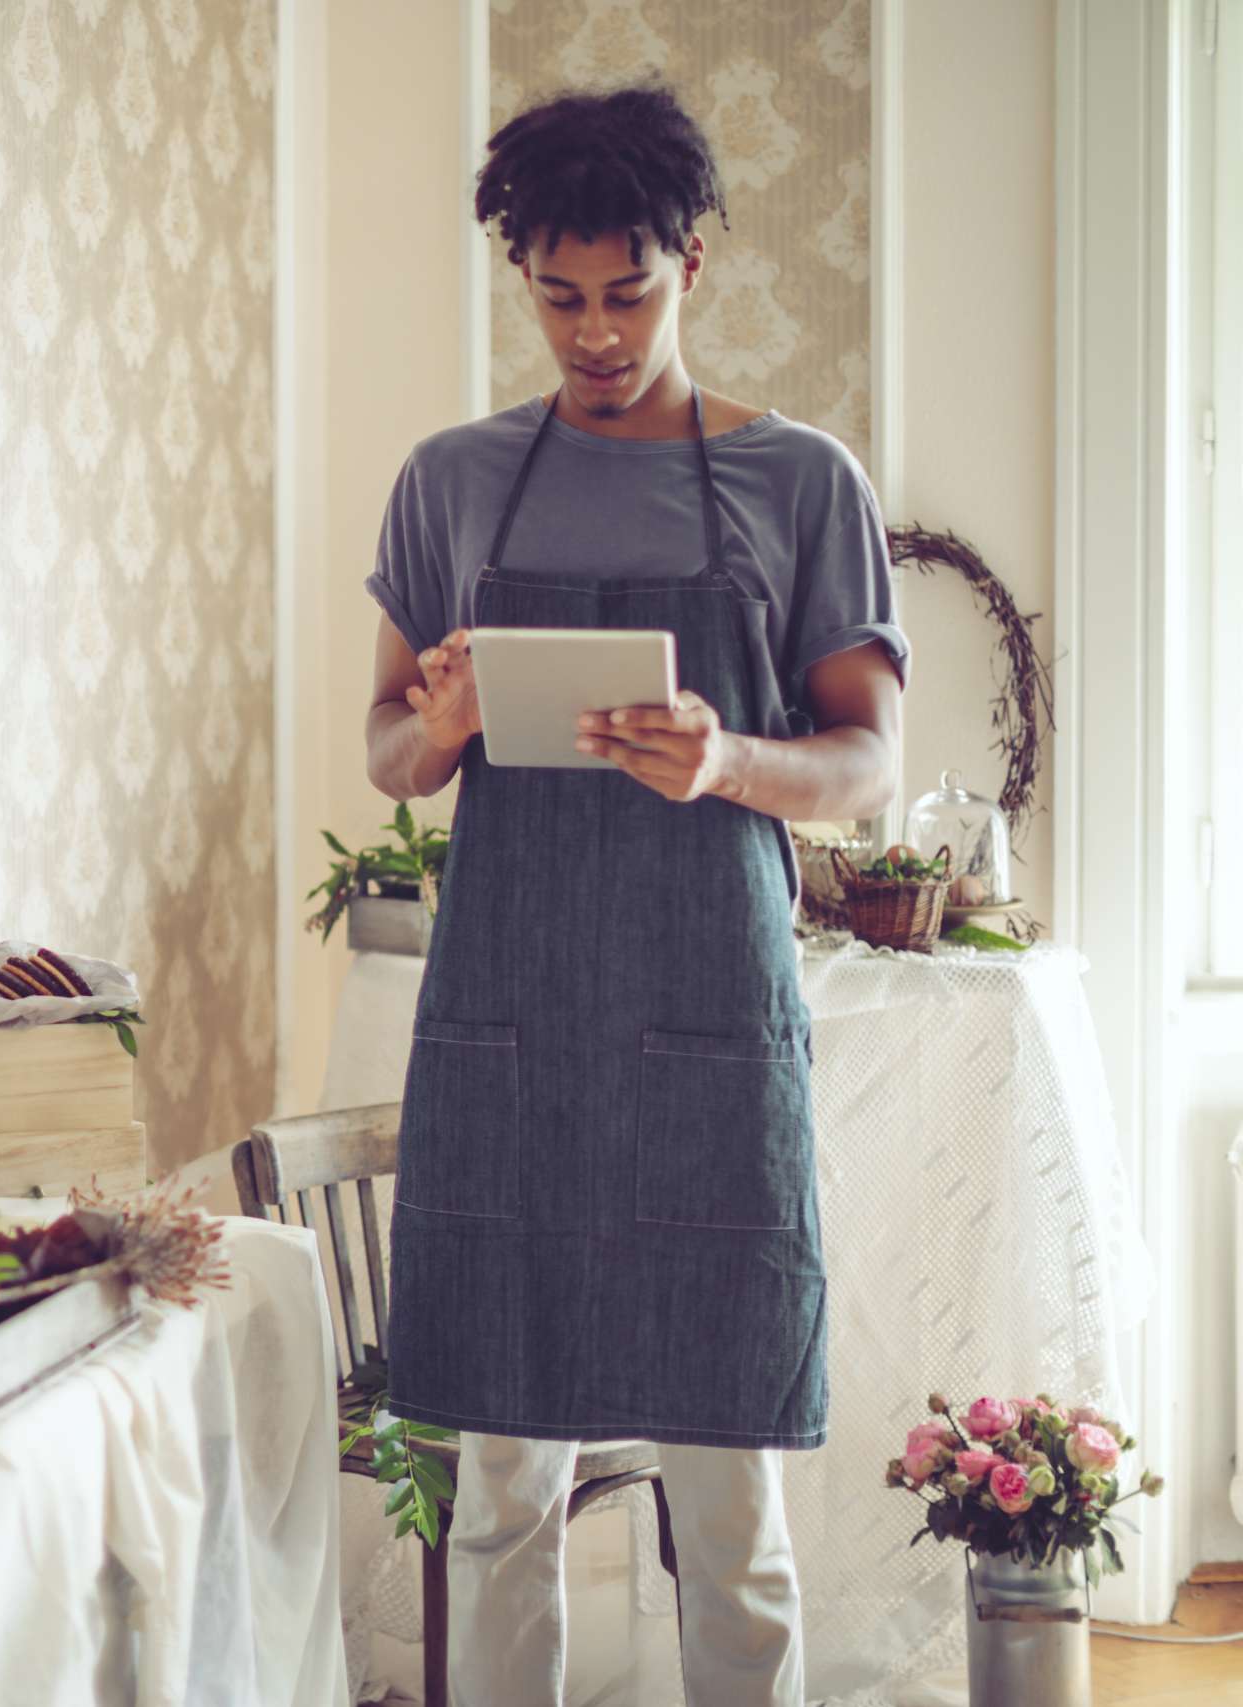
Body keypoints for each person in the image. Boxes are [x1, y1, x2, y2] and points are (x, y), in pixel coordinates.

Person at [364, 84, 908, 1707]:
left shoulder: (804, 482)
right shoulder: (451, 481)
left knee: (728, 1508)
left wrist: (727, 759)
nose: (594, 333)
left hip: (708, 1037)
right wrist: (448, 717)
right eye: (557, 296)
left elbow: (868, 765)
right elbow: (389, 750)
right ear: (518, 274)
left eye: (630, 292)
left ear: (698, 264)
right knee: (503, 1500)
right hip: (509, 1028)